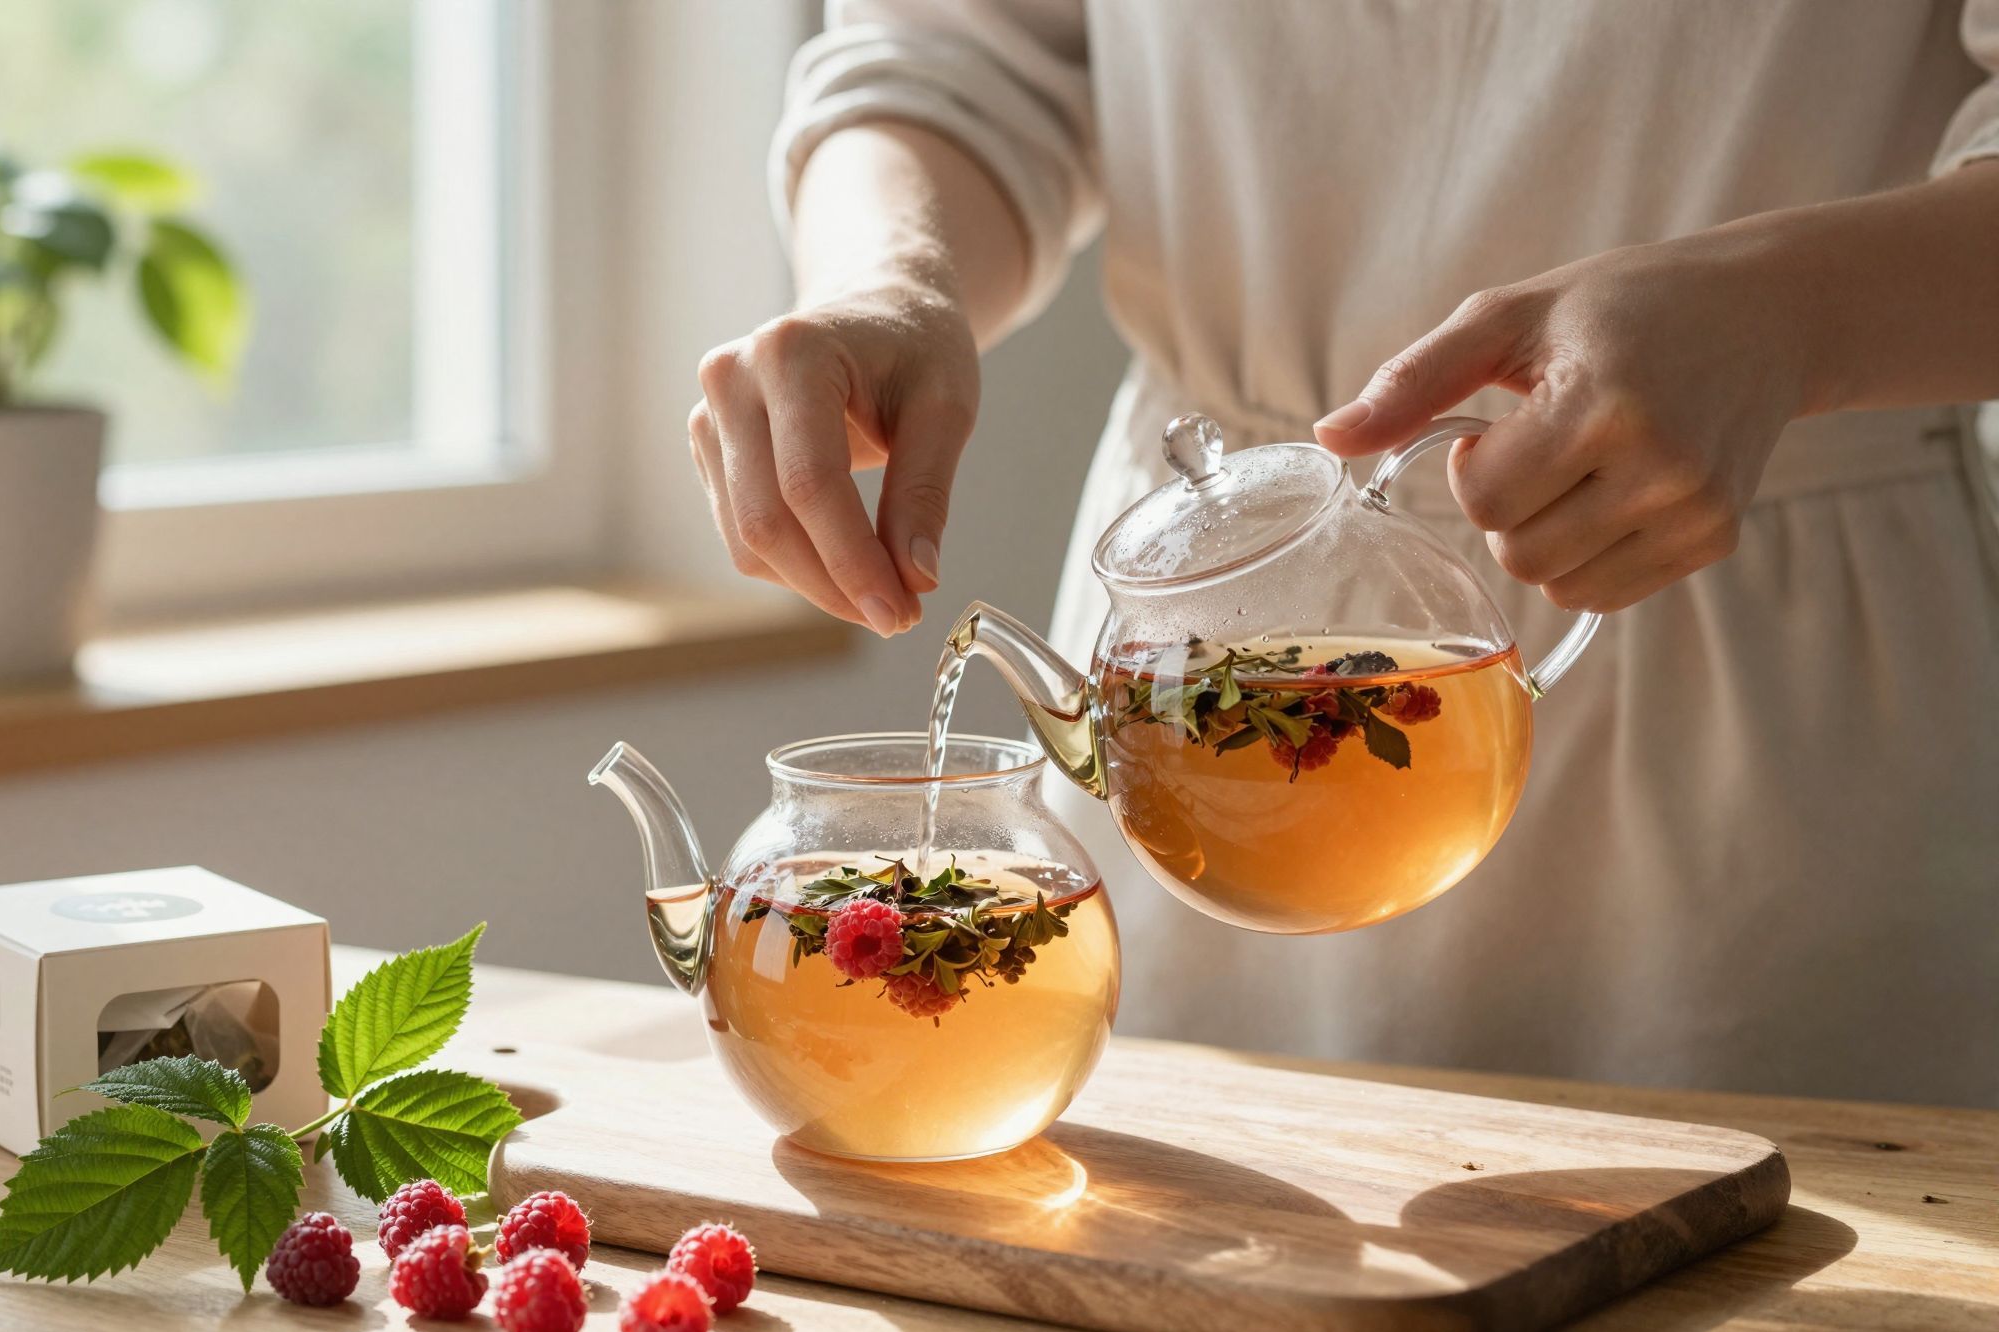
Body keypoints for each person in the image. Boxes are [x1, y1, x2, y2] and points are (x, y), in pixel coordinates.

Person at [688, 2, 1999, 1107]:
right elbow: (958, 55)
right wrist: (889, 282)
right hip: (1188, 654)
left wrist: (1785, 317)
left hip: (1778, 681)